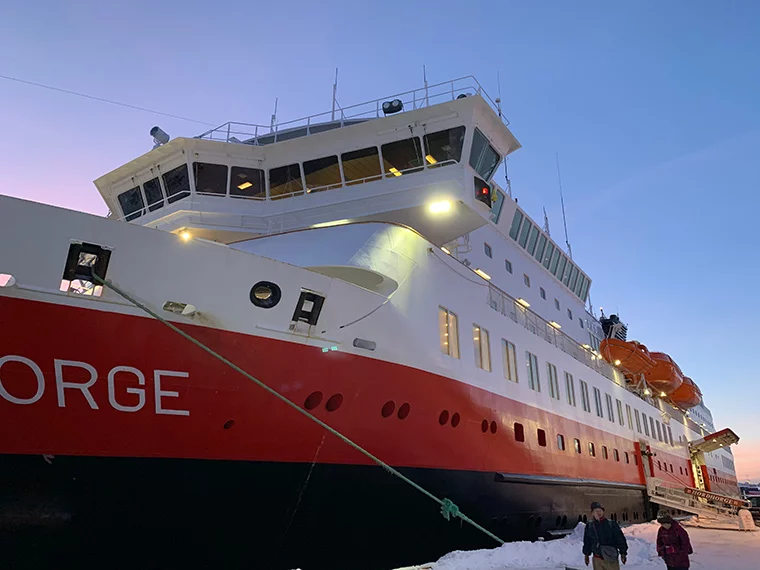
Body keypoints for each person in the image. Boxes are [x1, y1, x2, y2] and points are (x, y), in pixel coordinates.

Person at [582, 501, 628, 569]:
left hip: (611, 558)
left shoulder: (611, 524)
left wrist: (623, 553)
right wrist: (586, 554)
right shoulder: (590, 526)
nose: (599, 513)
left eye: (600, 510)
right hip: (597, 559)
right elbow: (587, 541)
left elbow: (620, 539)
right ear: (592, 513)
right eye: (596, 511)